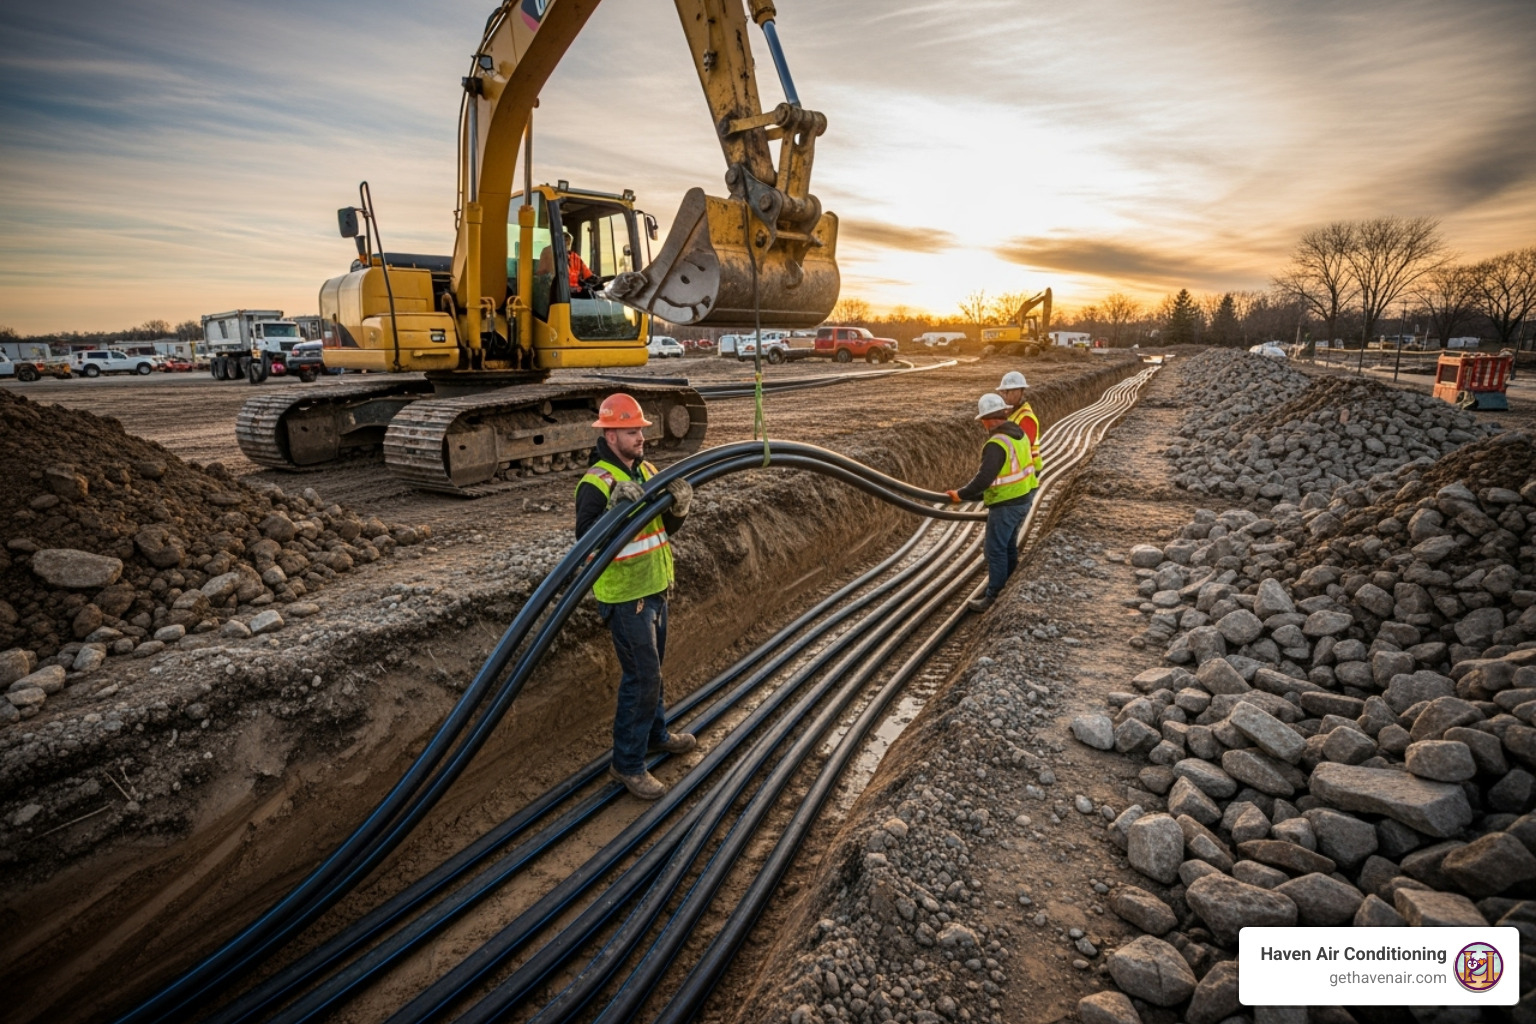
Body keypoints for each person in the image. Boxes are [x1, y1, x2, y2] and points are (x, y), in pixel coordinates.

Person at [575, 393, 697, 799]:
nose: (641, 437)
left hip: (656, 588)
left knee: (654, 670)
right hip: (627, 597)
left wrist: (678, 510)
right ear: (611, 436)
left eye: (641, 430)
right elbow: (586, 548)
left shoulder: (647, 471)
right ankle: (626, 764)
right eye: (632, 432)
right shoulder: (596, 484)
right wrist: (612, 510)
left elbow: (663, 529)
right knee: (642, 676)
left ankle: (656, 734)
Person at [946, 392, 1039, 613]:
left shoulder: (997, 443)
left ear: (987, 420)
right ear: (1004, 413)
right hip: (1023, 498)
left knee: (995, 550)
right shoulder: (1020, 434)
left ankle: (994, 595)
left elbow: (984, 479)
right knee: (1007, 547)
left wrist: (961, 494)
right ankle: (1009, 587)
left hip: (1006, 504)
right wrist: (972, 494)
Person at [997, 370, 1044, 478]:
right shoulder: (1013, 412)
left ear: (1017, 392)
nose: (1003, 396)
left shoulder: (1025, 418)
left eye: (1005, 392)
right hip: (1020, 466)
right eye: (1002, 392)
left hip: (1028, 467)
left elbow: (1023, 447)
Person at [538, 230, 597, 295]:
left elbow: (589, 276)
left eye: (568, 241)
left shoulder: (575, 257)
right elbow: (542, 273)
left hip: (572, 292)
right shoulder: (548, 252)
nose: (567, 244)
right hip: (555, 291)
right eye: (565, 241)